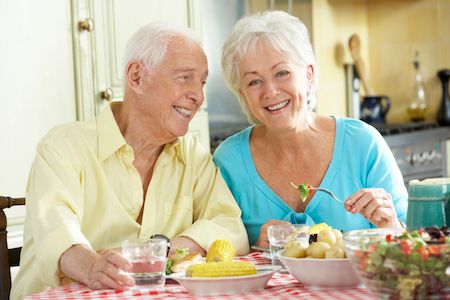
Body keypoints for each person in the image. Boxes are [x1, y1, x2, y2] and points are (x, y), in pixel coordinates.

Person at [11, 22, 249, 299]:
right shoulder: (64, 147)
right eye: (185, 77)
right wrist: (91, 266)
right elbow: (54, 230)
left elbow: (231, 226)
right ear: (136, 77)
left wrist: (165, 250)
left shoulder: (192, 156)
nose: (198, 96)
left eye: (202, 81)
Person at [213, 11, 407, 247]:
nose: (270, 91)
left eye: (282, 73)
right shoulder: (228, 161)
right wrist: (251, 247)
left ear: (308, 75)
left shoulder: (363, 144)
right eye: (254, 81)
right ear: (242, 93)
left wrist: (391, 226)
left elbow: (413, 246)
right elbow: (216, 250)